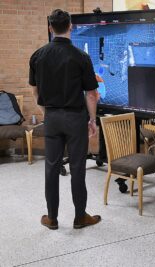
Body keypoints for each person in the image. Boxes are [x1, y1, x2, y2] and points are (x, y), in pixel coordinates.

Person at [29, 9, 101, 230]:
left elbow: (34, 91)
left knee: (51, 168)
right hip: (75, 118)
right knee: (78, 167)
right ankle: (80, 217)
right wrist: (92, 120)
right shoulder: (82, 57)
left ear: (50, 28)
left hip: (52, 117)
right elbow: (91, 94)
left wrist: (46, 113)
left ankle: (52, 218)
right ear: (71, 26)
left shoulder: (37, 55)